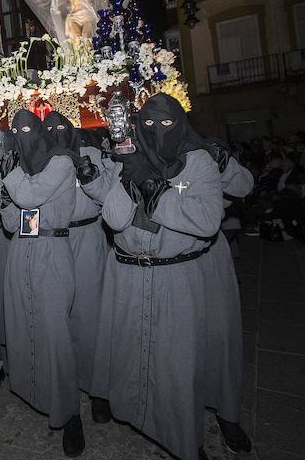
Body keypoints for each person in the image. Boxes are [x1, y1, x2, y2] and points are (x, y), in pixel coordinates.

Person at [100, 93, 223, 460]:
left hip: (175, 275)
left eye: (166, 123)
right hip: (132, 274)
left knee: (176, 365)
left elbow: (207, 220)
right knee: (130, 353)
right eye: (148, 124)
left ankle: (184, 439)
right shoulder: (131, 159)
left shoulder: (197, 163)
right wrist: (129, 177)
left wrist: (158, 195)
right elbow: (114, 218)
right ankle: (135, 415)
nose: (156, 131)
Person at [0, 110, 85, 457]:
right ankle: (32, 392)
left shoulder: (61, 162)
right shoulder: (19, 170)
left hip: (52, 249)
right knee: (23, 326)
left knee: (54, 334)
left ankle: (69, 414)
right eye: (17, 131)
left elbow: (32, 197)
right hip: (21, 249)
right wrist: (5, 198)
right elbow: (9, 219)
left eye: (28, 129)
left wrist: (10, 177)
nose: (23, 136)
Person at [42, 113, 113, 426]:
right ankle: (66, 398)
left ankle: (99, 389)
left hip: (87, 237)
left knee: (91, 316)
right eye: (49, 131)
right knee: (59, 320)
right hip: (53, 240)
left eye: (62, 129)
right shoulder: (39, 160)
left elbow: (111, 194)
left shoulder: (92, 155)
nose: (56, 135)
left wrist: (91, 176)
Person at [199, 138, 254, 454]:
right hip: (165, 258)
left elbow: (244, 185)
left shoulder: (205, 150)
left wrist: (224, 162)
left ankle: (227, 413)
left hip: (208, 254)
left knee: (221, 335)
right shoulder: (140, 152)